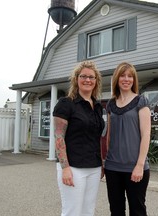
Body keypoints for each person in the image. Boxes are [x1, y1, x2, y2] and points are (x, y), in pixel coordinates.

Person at [52, 61, 105, 216]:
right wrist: (65, 168)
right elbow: (59, 137)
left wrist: (101, 163)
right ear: (76, 79)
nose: (87, 80)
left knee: (88, 211)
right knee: (72, 211)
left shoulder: (97, 106)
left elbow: (97, 138)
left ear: (96, 81)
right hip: (73, 167)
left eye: (91, 77)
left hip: (94, 167)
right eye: (83, 76)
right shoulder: (66, 103)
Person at [104, 62, 151, 216]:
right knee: (116, 210)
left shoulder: (141, 101)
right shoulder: (111, 104)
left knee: (137, 210)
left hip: (134, 167)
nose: (126, 79)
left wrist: (139, 165)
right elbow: (109, 135)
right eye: (123, 75)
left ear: (134, 79)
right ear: (117, 79)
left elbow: (146, 135)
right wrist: (105, 161)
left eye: (130, 76)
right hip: (112, 167)